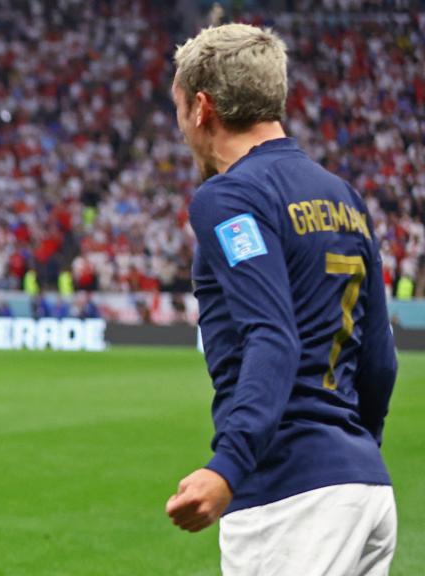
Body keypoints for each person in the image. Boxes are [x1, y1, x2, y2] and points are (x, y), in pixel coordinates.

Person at [164, 24, 398, 575]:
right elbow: (380, 360)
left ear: (202, 108)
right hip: (364, 488)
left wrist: (229, 465)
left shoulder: (229, 197)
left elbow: (272, 334)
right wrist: (354, 454)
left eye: (178, 109)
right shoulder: (344, 197)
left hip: (289, 495)